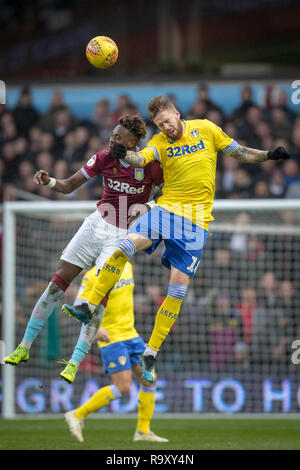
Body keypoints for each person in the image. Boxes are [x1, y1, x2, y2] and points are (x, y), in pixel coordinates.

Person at [62, 95, 290, 384]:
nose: (165, 127)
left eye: (167, 121)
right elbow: (139, 158)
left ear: (177, 114)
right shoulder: (158, 141)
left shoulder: (206, 129)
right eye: (159, 124)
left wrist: (269, 155)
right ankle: (89, 305)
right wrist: (122, 153)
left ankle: (151, 352)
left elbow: (241, 152)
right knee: (124, 246)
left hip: (197, 222)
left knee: (178, 291)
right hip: (167, 209)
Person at [4, 115, 163, 382]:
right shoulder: (104, 157)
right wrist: (49, 181)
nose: (112, 138)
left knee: (98, 296)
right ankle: (24, 347)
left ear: (133, 142)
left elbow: (169, 195)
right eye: (112, 134)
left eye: (118, 136)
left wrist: (151, 206)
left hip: (121, 236)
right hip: (95, 224)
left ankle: (75, 362)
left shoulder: (150, 166)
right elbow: (68, 186)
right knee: (57, 282)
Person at [65, 262, 168, 443]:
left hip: (131, 334)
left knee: (149, 379)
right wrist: (95, 329)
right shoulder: (91, 276)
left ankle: (143, 431)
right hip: (111, 338)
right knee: (123, 387)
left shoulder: (127, 266)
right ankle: (77, 414)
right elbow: (78, 308)